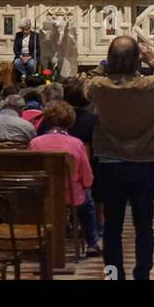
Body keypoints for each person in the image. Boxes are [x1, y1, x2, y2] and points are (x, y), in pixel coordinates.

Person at [86, 35, 154, 282]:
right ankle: (142, 275)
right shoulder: (151, 85)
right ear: (137, 59)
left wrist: (105, 65)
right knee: (144, 224)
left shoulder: (99, 86)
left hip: (109, 162)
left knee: (113, 226)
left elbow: (81, 81)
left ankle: (114, 275)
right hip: (144, 161)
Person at [31, 101, 100, 256]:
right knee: (88, 206)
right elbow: (87, 175)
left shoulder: (35, 142)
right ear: (70, 121)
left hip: (44, 194)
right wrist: (86, 185)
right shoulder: (76, 144)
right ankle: (92, 243)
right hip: (72, 194)